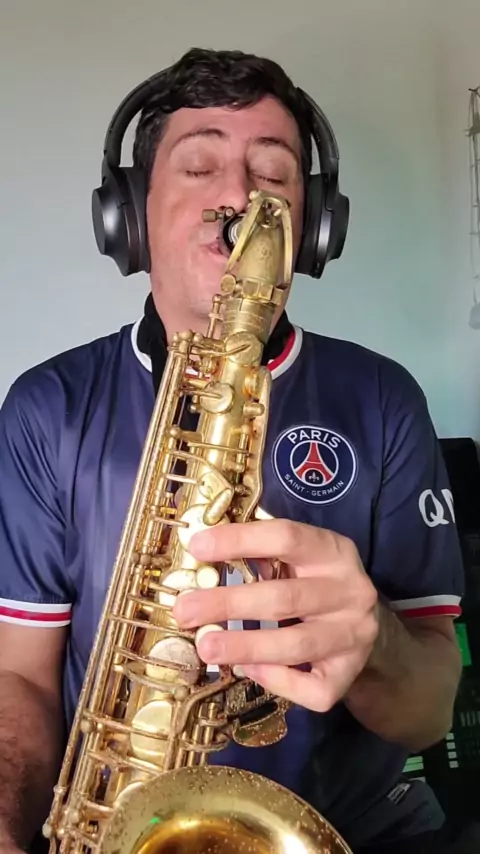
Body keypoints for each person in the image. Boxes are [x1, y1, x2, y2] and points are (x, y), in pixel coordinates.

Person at [0, 47, 464, 854]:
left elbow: (428, 711)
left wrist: (376, 644)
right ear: (130, 216)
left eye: (273, 173)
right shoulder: (46, 408)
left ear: (314, 228)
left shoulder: (384, 397)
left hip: (349, 827)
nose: (241, 198)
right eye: (199, 166)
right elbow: (19, 678)